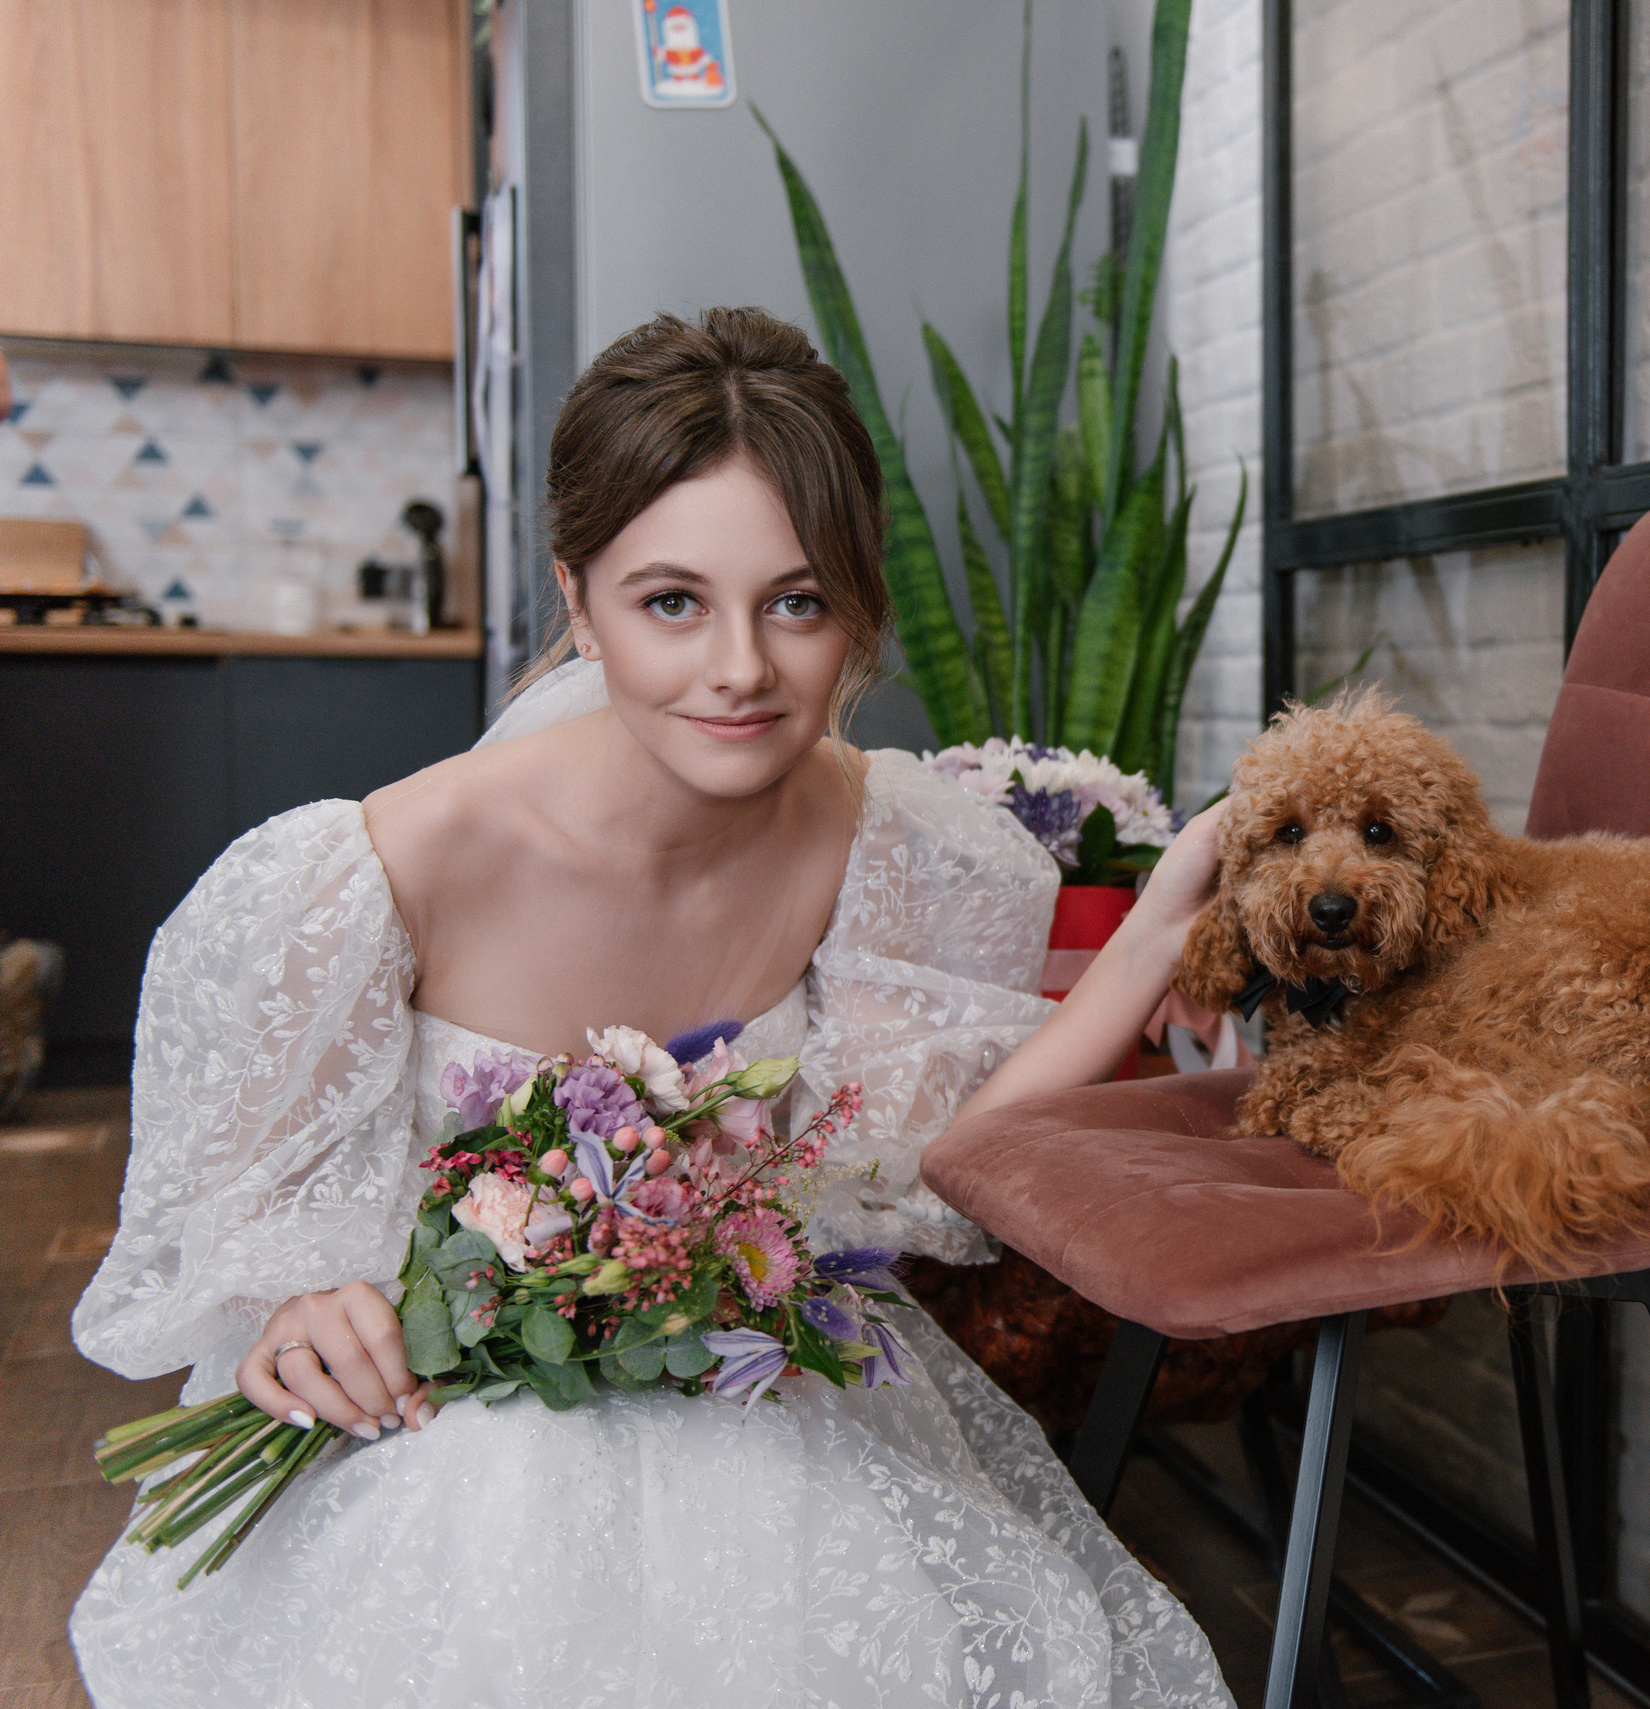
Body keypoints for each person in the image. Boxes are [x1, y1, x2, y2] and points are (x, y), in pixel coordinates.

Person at [67, 308, 1235, 1709]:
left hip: (756, 1395)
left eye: (796, 603)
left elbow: (933, 1163)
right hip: (452, 1431)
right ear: (580, 600)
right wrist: (296, 1311)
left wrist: (1148, 941)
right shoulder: (371, 874)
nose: (739, 668)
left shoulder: (889, 841)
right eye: (671, 601)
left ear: (860, 605)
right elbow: (247, 1256)